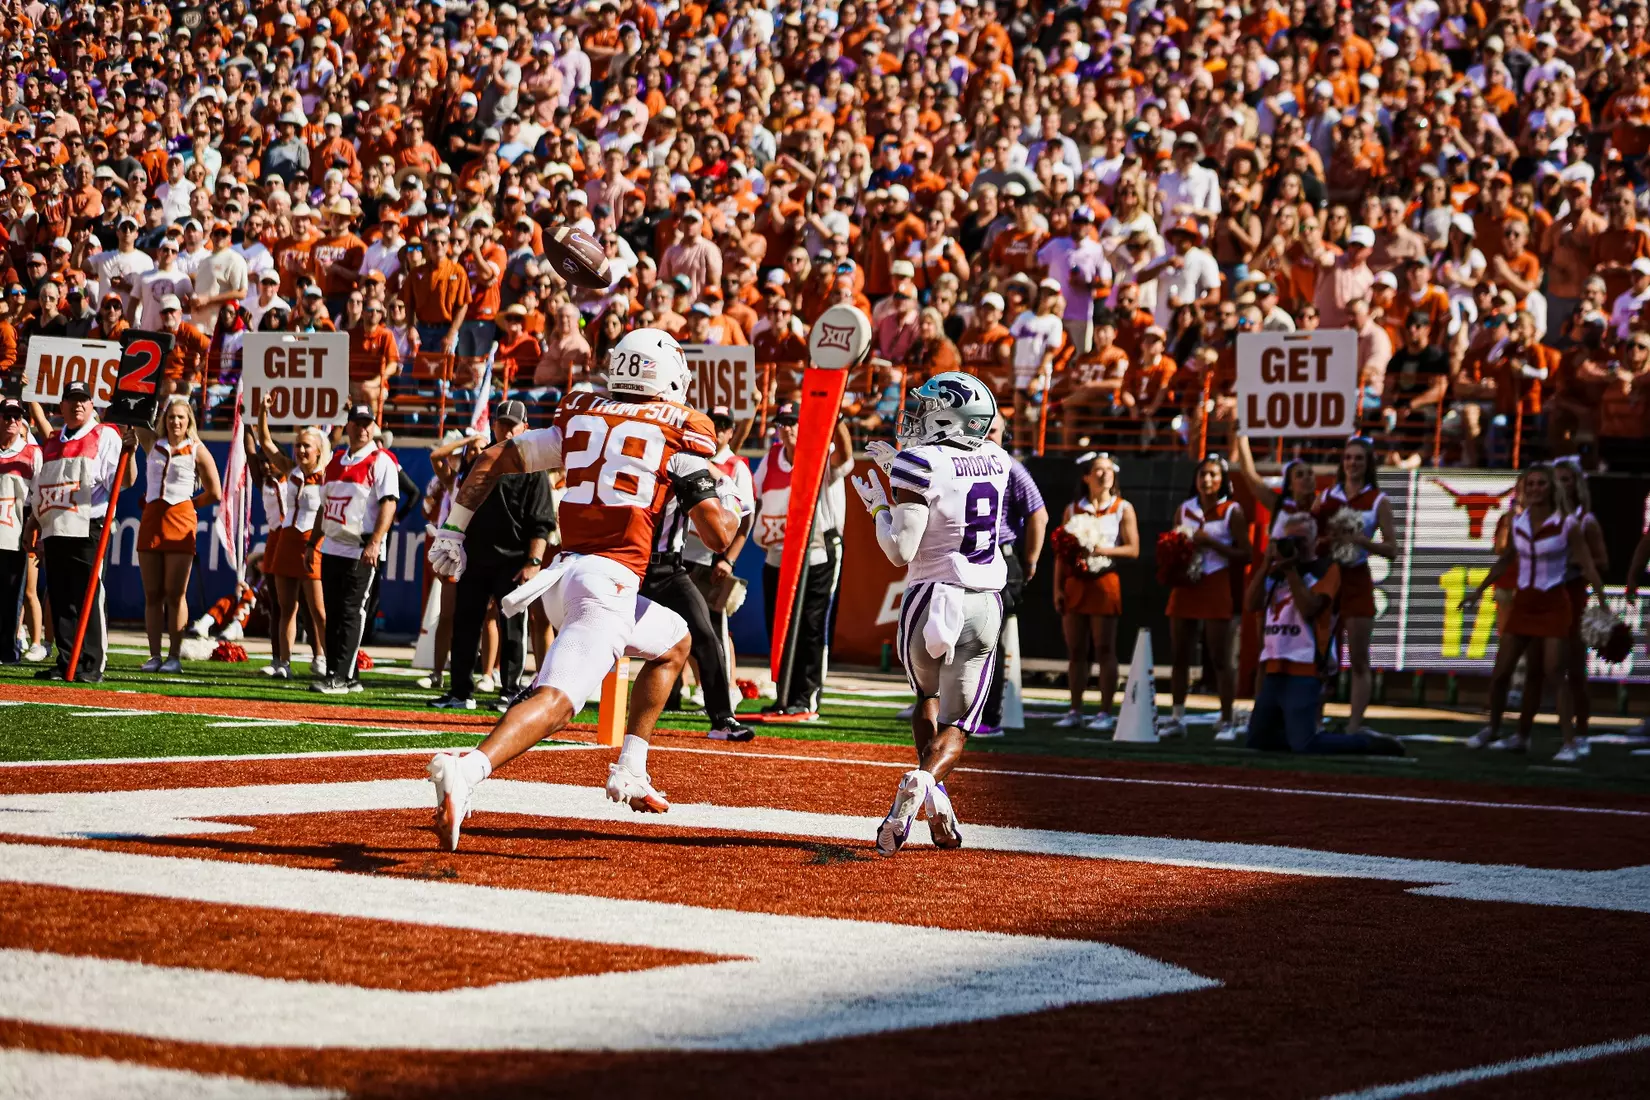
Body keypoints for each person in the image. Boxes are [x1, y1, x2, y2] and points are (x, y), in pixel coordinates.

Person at [423, 328, 737, 850]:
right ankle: (471, 768)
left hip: (565, 572)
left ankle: (631, 769)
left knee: (674, 641)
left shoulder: (582, 412)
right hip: (606, 584)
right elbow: (719, 534)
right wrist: (711, 490)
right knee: (560, 701)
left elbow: (496, 456)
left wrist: (454, 527)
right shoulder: (680, 431)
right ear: (671, 377)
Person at [851, 372, 1008, 854]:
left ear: (951, 417)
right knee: (957, 727)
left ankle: (926, 786)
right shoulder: (999, 458)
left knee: (926, 696)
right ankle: (929, 787)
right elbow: (957, 477)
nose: (915, 416)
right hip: (983, 602)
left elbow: (900, 549)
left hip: (930, 598)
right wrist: (901, 464)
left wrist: (880, 506)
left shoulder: (918, 463)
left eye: (927, 408)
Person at [1463, 463, 1605, 762]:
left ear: (1551, 488)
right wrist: (1478, 591)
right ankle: (1493, 729)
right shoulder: (1518, 522)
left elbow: (1589, 564)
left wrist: (1602, 600)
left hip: (1554, 602)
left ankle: (1569, 742)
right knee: (1501, 672)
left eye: (1541, 484)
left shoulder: (1568, 524)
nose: (1535, 489)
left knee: (1555, 672)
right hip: (1523, 602)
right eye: (1530, 484)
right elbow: (1506, 560)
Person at [431, 401, 555, 711]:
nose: (507, 429)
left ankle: (509, 691)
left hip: (513, 561)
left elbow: (541, 522)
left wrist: (534, 562)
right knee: (465, 624)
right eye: (502, 423)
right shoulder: (480, 461)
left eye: (513, 424)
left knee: (513, 628)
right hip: (474, 557)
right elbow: (464, 502)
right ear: (494, 426)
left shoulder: (533, 469)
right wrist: (453, 539)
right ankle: (460, 691)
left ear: (525, 428)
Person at [1243, 522, 1405, 757]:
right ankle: (1316, 736)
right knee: (1258, 740)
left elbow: (1309, 608)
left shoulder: (1326, 569)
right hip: (1275, 666)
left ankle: (1364, 742)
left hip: (1306, 667)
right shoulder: (1275, 574)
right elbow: (1251, 604)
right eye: (1289, 541)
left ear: (1313, 542)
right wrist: (1267, 564)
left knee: (1305, 745)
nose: (1294, 546)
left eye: (1300, 540)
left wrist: (1291, 571)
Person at [23, 381, 136, 682]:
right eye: (72, 400)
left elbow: (124, 481)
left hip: (88, 526)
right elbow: (42, 489)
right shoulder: (52, 441)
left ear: (92, 405)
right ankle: (66, 660)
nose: (78, 405)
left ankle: (92, 663)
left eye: (84, 400)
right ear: (61, 406)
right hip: (56, 527)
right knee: (59, 596)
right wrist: (33, 523)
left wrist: (131, 453)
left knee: (89, 594)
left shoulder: (104, 435)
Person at [751, 403, 855, 720]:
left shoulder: (822, 452)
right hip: (779, 552)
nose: (787, 429)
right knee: (779, 624)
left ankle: (806, 696)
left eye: (793, 422)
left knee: (812, 625)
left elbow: (845, 459)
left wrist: (836, 419)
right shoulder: (771, 458)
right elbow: (757, 497)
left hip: (818, 551)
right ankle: (784, 694)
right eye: (782, 423)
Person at [307, 404, 399, 694]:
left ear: (374, 426)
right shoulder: (335, 460)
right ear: (347, 426)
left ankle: (341, 676)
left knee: (351, 611)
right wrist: (313, 541)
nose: (362, 428)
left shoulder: (380, 460)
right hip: (333, 545)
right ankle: (346, 673)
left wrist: (375, 543)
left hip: (361, 547)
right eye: (357, 423)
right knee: (333, 612)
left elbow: (389, 503)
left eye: (367, 423)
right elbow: (325, 506)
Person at [1164, 455, 1251, 739]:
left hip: (1216, 581)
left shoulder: (1232, 511)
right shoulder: (1185, 509)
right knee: (1179, 655)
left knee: (1220, 657)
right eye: (1203, 474)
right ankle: (1177, 716)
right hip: (1187, 584)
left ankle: (1226, 719)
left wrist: (1212, 543)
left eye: (1213, 475)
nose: (1207, 480)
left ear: (1223, 479)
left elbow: (1246, 554)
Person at [1315, 437, 1395, 738]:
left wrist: (1361, 541)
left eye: (1359, 459)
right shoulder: (1328, 495)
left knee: (1359, 657)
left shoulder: (1377, 500)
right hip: (1329, 576)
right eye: (1348, 458)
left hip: (1358, 577)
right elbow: (1314, 536)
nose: (1352, 463)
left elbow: (1392, 549)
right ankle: (1316, 720)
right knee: (1321, 655)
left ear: (1368, 463)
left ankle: (1354, 724)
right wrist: (1328, 540)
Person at [1051, 452, 1137, 731]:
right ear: (1086, 477)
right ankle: (1075, 709)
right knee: (1076, 650)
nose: (1104, 474)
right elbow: (1061, 554)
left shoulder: (1123, 508)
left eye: (1108, 470)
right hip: (1076, 583)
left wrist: (1101, 550)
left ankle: (1104, 712)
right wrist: (1057, 588)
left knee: (1104, 648)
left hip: (1105, 583)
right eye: (1098, 470)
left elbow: (1133, 549)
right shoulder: (1073, 509)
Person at [134, 396, 221, 673]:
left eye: (181, 417)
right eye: (171, 417)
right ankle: (155, 655)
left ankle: (174, 656)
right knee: (152, 593)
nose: (175, 422)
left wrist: (190, 505)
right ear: (165, 419)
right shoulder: (153, 443)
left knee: (175, 593)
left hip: (180, 520)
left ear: (189, 422)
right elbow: (136, 419)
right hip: (151, 519)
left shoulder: (197, 449)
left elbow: (214, 491)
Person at [683, 407, 756, 731]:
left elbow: (745, 516)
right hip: (682, 553)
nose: (719, 431)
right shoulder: (690, 457)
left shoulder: (734, 467)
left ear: (730, 432)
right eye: (715, 425)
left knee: (713, 628)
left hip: (712, 556)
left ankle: (724, 694)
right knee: (681, 627)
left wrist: (728, 559)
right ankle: (685, 689)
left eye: (725, 427)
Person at [976, 414, 1047, 736]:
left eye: (994, 430)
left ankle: (988, 715)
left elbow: (1038, 514)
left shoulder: (1010, 466)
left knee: (988, 640)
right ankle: (941, 706)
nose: (987, 436)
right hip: (964, 558)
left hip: (998, 556)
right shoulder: (960, 462)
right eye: (982, 428)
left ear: (1005, 434)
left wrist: (1029, 560)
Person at [254, 398, 327, 681]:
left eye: (306, 446)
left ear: (319, 450)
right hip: (287, 539)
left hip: (312, 542)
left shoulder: (326, 477)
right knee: (286, 608)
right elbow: (266, 442)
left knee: (318, 610)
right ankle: (284, 662)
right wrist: (263, 412)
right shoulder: (288, 468)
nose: (300, 450)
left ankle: (322, 658)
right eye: (298, 445)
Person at [0, 398, 40, 664]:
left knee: (11, 596)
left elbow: (38, 496)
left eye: (17, 416)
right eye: (7, 416)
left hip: (14, 534)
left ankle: (7, 648)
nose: (12, 420)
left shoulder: (32, 452)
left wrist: (32, 529)